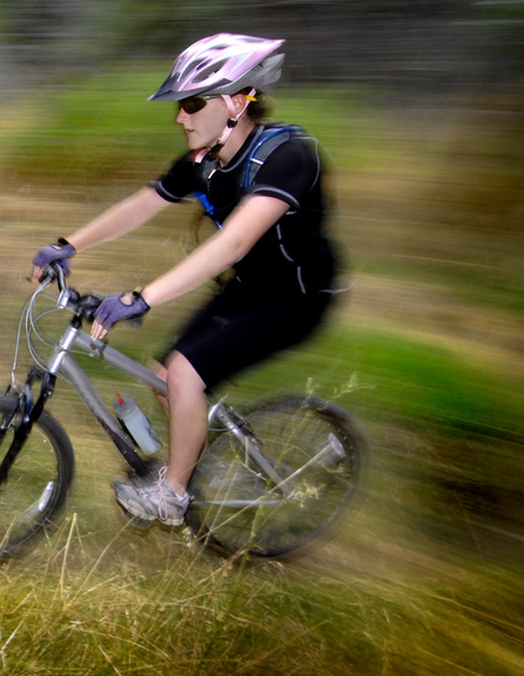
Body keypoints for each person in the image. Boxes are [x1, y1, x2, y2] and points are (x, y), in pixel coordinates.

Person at [30, 33, 342, 527]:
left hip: (296, 299)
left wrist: (143, 297)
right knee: (162, 377)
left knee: (184, 375)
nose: (181, 116)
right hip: (250, 289)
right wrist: (70, 244)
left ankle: (173, 496)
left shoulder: (289, 156)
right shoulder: (204, 162)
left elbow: (233, 244)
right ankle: (207, 468)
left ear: (238, 103)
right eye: (180, 105)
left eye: (193, 103)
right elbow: (143, 204)